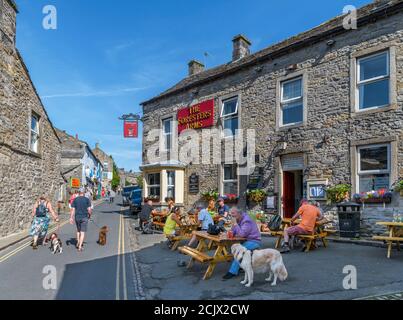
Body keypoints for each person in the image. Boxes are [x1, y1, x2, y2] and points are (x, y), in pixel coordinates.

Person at [223, 207, 262, 280]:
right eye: (231, 214)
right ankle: (240, 265)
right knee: (232, 247)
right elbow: (233, 231)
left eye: (233, 214)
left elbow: (242, 234)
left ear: (239, 213)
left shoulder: (247, 220)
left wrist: (234, 224)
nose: (232, 216)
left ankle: (232, 272)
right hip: (245, 241)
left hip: (254, 241)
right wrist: (231, 231)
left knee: (239, 251)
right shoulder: (238, 219)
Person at [70, 188, 93, 252]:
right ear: (84, 192)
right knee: (82, 232)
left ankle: (78, 242)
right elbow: (89, 210)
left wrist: (71, 218)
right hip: (84, 217)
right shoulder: (87, 200)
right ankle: (80, 246)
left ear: (79, 192)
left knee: (78, 230)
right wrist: (90, 215)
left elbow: (73, 210)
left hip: (77, 217)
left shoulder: (75, 200)